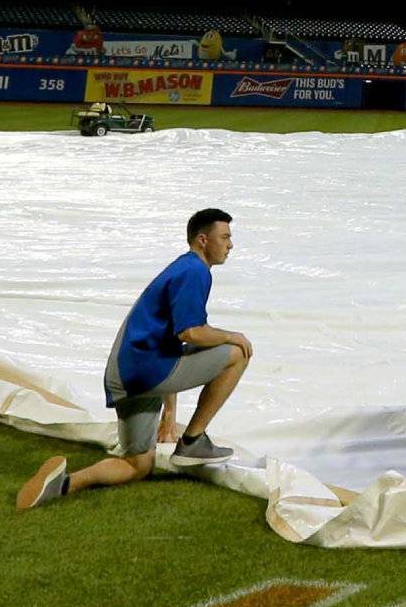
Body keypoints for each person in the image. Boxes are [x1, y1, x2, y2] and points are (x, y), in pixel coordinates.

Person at [18, 208, 250, 511]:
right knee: (238, 353)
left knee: (138, 464)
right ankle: (193, 441)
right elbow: (191, 333)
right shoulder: (195, 271)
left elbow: (171, 345)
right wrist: (233, 335)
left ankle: (63, 484)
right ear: (203, 240)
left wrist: (169, 415)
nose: (230, 244)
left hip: (125, 376)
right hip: (145, 371)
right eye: (226, 237)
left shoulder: (181, 268)